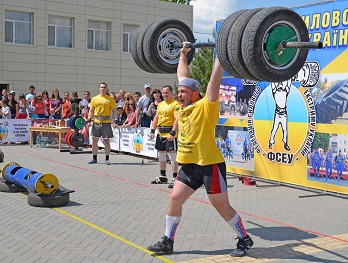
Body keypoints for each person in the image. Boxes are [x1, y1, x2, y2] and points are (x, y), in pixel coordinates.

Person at [148, 42, 253, 257]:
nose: (179, 95)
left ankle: (244, 238)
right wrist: (183, 54)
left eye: (184, 92)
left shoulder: (206, 106)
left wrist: (221, 58)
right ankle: (168, 241)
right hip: (189, 165)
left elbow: (214, 83)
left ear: (195, 94)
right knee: (175, 199)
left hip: (209, 165)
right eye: (179, 92)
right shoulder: (183, 108)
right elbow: (182, 76)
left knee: (220, 205)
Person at [149, 85, 180, 189]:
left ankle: (175, 178)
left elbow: (177, 120)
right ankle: (163, 176)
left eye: (167, 93)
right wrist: (153, 131)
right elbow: (156, 118)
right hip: (160, 133)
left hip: (170, 134)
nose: (165, 95)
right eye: (163, 93)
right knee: (161, 155)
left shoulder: (175, 104)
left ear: (171, 93)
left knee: (172, 157)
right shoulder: (161, 104)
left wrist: (172, 133)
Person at [87, 82, 117, 165]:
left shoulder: (110, 99)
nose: (103, 88)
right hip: (96, 122)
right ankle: (94, 158)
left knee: (106, 141)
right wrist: (89, 119)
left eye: (104, 87)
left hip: (106, 122)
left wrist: (115, 120)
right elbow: (91, 110)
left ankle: (107, 159)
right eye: (101, 87)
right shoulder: (94, 98)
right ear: (99, 88)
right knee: (94, 140)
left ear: (106, 89)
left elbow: (114, 110)